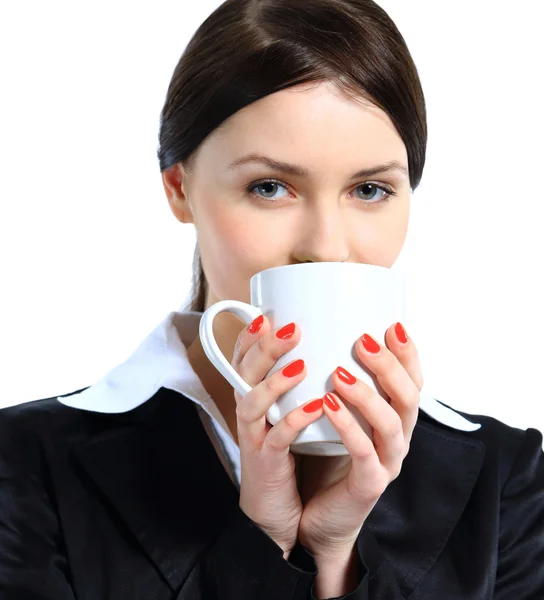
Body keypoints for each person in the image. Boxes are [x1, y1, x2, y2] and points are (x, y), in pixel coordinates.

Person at [1, 0, 543, 598]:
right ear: (180, 188)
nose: (327, 246)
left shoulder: (506, 478)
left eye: (370, 189)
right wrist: (261, 541)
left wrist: (335, 557)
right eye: (269, 187)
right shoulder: (26, 466)